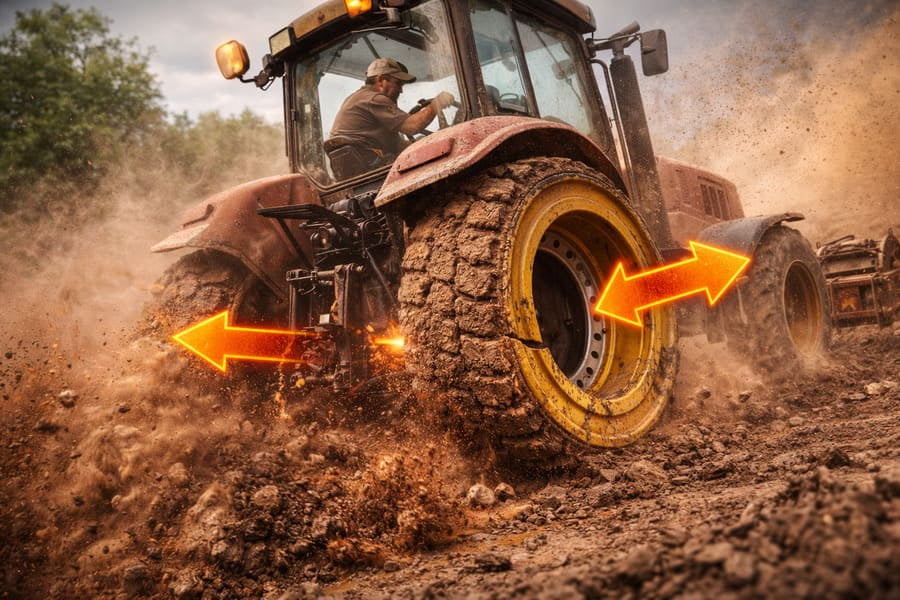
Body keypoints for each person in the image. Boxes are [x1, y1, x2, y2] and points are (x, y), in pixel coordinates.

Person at [326, 57, 455, 178]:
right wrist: (436, 104)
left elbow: (397, 145)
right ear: (380, 81)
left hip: (365, 168)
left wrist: (422, 143)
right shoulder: (374, 99)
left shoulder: (357, 98)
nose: (401, 90)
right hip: (373, 169)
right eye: (398, 83)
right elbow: (413, 126)